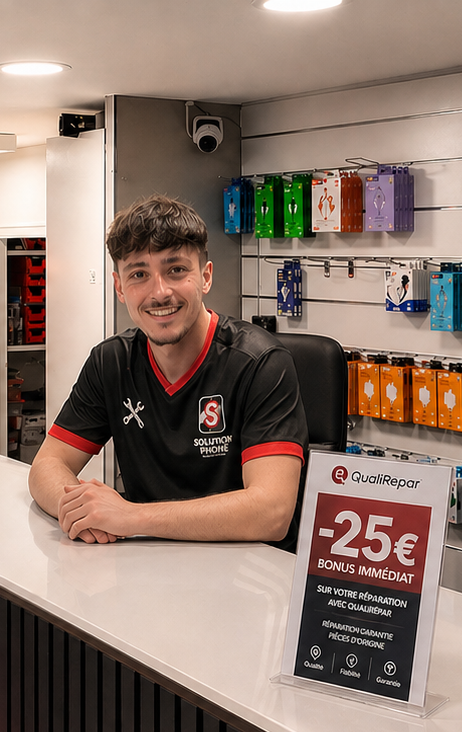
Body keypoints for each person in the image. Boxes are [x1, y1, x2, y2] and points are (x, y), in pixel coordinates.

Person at [28, 194, 307, 544]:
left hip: (248, 568)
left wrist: (130, 516)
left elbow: (272, 512)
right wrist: (81, 511)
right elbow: (47, 466)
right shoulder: (110, 362)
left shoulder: (260, 363)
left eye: (176, 270)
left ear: (205, 277)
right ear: (119, 287)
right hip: (148, 563)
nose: (159, 292)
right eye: (139, 274)